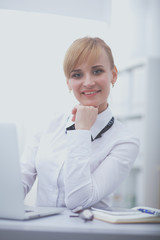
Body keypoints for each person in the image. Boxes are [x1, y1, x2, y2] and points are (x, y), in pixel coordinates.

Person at [21, 37, 139, 211]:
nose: (88, 82)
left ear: (113, 75)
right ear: (68, 82)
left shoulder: (125, 141)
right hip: (41, 230)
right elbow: (19, 182)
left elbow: (78, 201)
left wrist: (82, 131)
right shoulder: (49, 125)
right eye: (77, 74)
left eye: (97, 71)